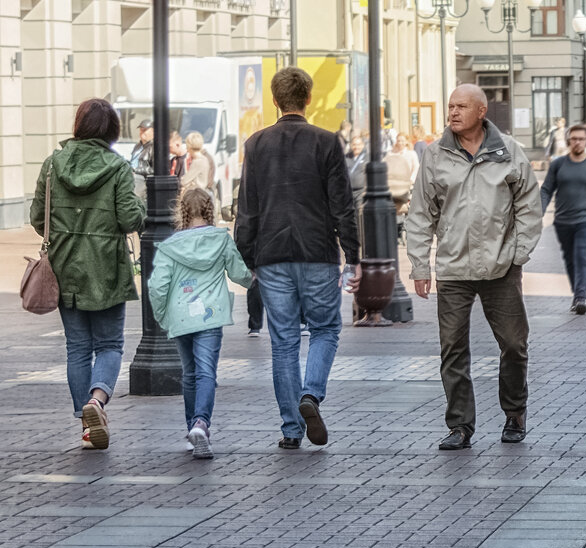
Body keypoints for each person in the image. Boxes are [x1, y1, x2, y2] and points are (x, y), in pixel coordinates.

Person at [405, 84, 542, 451]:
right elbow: (420, 214)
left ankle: (514, 413)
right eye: (450, 106)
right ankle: (460, 425)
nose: (452, 112)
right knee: (453, 348)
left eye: (461, 106)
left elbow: (529, 203)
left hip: (501, 267)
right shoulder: (435, 155)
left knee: (514, 344)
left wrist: (519, 252)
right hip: (453, 269)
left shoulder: (508, 151)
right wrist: (421, 265)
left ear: (481, 111)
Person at [234, 66, 361, 450]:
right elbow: (343, 204)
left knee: (284, 342)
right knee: (325, 329)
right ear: (308, 98)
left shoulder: (256, 145)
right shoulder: (326, 142)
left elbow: (247, 208)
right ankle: (311, 394)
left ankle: (291, 429)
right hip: (318, 252)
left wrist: (248, 256)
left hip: (272, 255)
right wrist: (352, 255)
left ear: (274, 100)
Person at [30, 98, 146, 449]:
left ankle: (86, 425)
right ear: (113, 130)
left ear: (78, 126)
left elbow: (38, 218)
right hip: (107, 267)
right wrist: (140, 205)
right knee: (110, 344)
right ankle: (97, 401)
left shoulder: (53, 165)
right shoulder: (117, 167)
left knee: (77, 348)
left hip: (65, 268)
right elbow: (129, 219)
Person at [148, 188, 252, 459]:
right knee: (206, 372)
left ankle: (191, 430)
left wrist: (162, 315)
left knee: (190, 374)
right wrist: (253, 279)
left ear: (181, 211)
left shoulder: (170, 246)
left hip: (181, 317)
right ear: (210, 209)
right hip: (210, 315)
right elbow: (240, 273)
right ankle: (201, 424)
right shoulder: (221, 240)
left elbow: (157, 286)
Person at [540, 123, 586, 314]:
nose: (577, 143)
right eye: (574, 139)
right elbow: (547, 189)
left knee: (582, 256)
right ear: (568, 141)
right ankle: (577, 294)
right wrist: (538, 211)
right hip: (562, 221)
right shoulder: (558, 164)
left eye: (581, 139)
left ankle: (581, 297)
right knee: (569, 259)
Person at [130, 118, 154, 199]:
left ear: (153, 131)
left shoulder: (154, 147)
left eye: (145, 130)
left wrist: (137, 170)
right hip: (131, 177)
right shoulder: (137, 146)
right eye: (141, 130)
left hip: (142, 180)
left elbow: (157, 170)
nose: (141, 132)